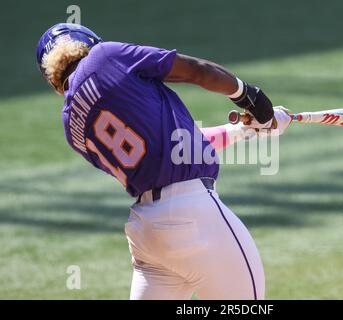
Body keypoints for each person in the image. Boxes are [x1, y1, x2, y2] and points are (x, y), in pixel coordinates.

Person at [36, 23, 291, 299]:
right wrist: (249, 96)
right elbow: (197, 70)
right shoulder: (105, 57)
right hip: (192, 217)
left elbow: (175, 148)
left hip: (148, 235)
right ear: (88, 42)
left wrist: (243, 131)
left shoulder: (70, 126)